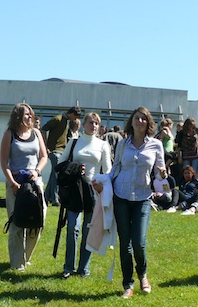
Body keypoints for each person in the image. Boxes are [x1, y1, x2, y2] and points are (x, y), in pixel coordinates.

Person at [93, 106, 165, 299]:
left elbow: (159, 173)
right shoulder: (123, 144)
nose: (139, 121)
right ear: (131, 121)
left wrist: (163, 173)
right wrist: (102, 182)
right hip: (121, 196)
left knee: (139, 243)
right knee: (125, 244)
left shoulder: (156, 145)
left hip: (143, 197)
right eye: (136, 118)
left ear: (148, 123)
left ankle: (142, 275)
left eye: (143, 118)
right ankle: (128, 284)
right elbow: (115, 169)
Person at [58, 112, 112, 279]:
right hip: (75, 191)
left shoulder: (103, 145)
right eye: (91, 122)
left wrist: (101, 185)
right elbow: (61, 164)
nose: (93, 126)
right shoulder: (74, 142)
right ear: (83, 124)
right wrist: (75, 167)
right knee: (73, 227)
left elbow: (108, 170)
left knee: (89, 230)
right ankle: (69, 267)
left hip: (93, 192)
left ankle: (84, 268)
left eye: (96, 123)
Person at [0, 103, 48, 271]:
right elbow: (4, 161)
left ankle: (26, 257)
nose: (29, 117)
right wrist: (12, 183)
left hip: (35, 182)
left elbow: (43, 157)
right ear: (18, 117)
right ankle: (16, 263)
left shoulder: (36, 134)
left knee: (38, 220)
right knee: (17, 223)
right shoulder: (9, 134)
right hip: (16, 183)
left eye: (30, 114)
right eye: (26, 114)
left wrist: (37, 171)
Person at [42, 106, 82, 206]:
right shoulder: (58, 119)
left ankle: (45, 197)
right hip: (54, 150)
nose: (76, 119)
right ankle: (55, 199)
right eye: (76, 116)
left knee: (53, 174)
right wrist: (45, 146)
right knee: (56, 175)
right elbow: (43, 130)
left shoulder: (67, 121)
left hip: (62, 151)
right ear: (72, 114)